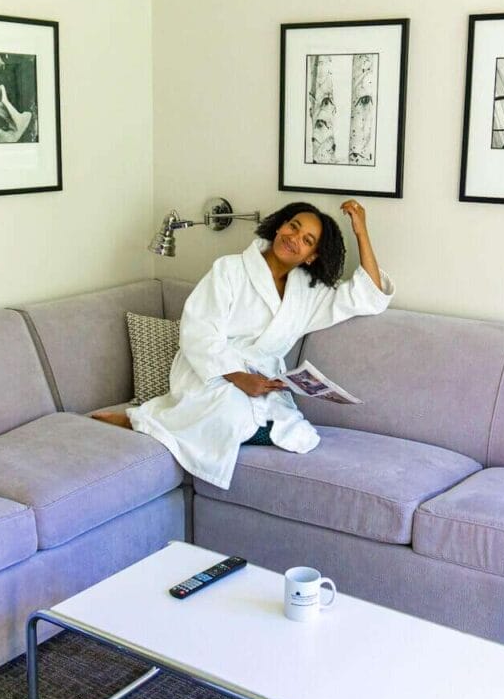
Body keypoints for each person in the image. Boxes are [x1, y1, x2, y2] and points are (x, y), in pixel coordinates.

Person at [93, 199, 393, 490]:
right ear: (279, 227)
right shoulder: (229, 270)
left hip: (262, 380)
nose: (293, 238)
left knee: (297, 432)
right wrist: (238, 377)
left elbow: (369, 296)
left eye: (307, 239)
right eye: (293, 226)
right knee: (233, 411)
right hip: (212, 371)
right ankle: (144, 421)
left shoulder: (309, 293)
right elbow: (198, 332)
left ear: (311, 256)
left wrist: (361, 232)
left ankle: (162, 423)